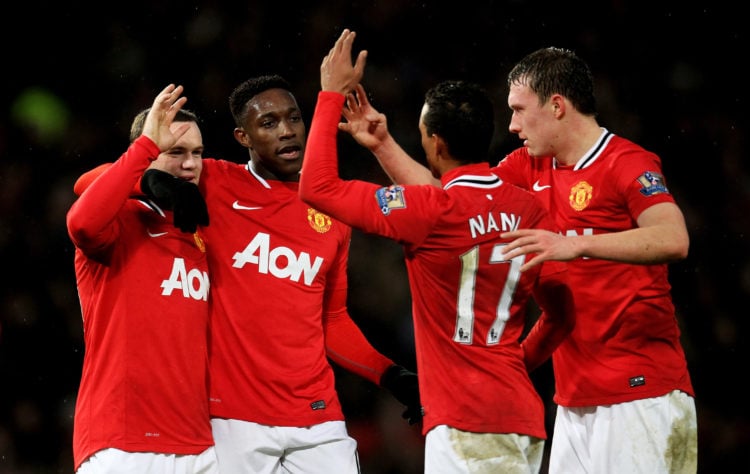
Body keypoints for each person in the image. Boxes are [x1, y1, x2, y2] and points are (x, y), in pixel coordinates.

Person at [356, 45, 698, 473]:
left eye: (519, 109)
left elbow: (673, 237)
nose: (513, 125)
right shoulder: (527, 167)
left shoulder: (626, 164)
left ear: (557, 106)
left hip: (642, 390)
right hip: (573, 399)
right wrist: (382, 144)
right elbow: (449, 204)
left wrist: (576, 244)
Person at [300, 29, 576, 473]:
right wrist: (510, 367)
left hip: (466, 420)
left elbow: (317, 187)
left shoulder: (430, 210)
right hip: (523, 416)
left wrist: (329, 95)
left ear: (435, 143)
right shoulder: (529, 209)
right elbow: (562, 315)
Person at [66, 84, 217, 473]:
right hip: (122, 440)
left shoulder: (202, 228)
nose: (190, 164)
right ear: (148, 152)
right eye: (175, 152)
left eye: (197, 153)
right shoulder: (120, 219)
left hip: (200, 443)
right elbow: (81, 220)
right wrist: (145, 172)